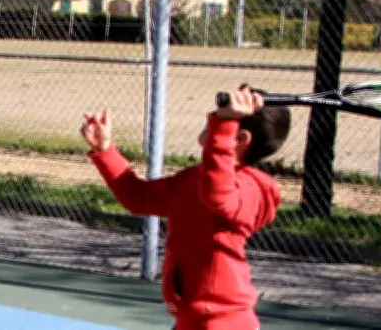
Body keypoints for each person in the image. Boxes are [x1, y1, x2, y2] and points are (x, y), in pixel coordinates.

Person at [80, 85, 291, 330]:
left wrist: (223, 124)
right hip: (191, 319)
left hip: (224, 323)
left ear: (240, 139)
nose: (214, 115)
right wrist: (104, 150)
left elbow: (218, 195)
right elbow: (137, 197)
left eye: (226, 116)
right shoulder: (192, 179)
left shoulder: (251, 188)